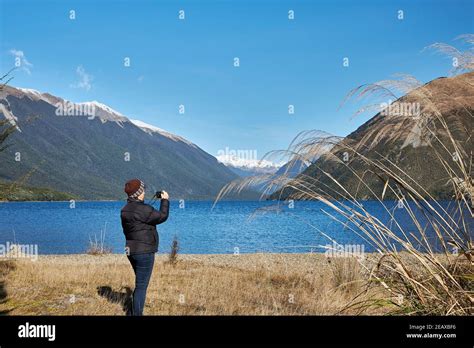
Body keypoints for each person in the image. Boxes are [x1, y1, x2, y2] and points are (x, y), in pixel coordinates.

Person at [120, 178, 169, 316]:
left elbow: (139, 220)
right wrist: (165, 200)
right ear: (139, 193)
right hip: (144, 252)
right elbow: (162, 216)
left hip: (130, 251)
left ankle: (133, 312)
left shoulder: (125, 210)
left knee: (139, 283)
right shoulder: (144, 210)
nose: (145, 192)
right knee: (141, 286)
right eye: (143, 189)